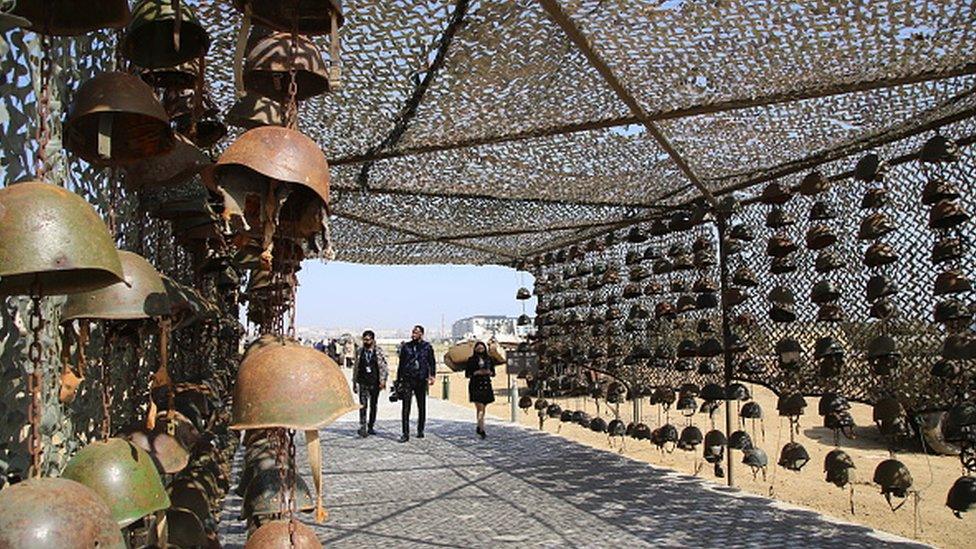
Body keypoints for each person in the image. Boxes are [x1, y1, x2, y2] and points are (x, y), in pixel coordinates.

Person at [397, 325, 436, 442]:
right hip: (408, 379)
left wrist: (432, 376)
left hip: (421, 379)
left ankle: (420, 430)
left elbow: (432, 362)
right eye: (413, 332)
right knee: (406, 407)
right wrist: (399, 380)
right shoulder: (406, 347)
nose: (414, 334)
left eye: (417, 332)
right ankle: (405, 433)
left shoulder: (427, 347)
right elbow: (401, 364)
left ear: (421, 334)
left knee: (421, 406)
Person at [352, 330, 388, 438]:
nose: (366, 342)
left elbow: (383, 367)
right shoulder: (360, 351)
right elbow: (356, 367)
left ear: (372, 340)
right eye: (364, 339)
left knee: (373, 405)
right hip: (363, 382)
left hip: (375, 383)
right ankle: (363, 426)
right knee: (363, 405)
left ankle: (371, 425)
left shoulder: (378, 351)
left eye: (368, 340)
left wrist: (383, 381)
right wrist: (354, 382)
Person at [464, 341, 496, 439]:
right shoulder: (471, 360)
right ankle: (482, 430)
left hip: (486, 385)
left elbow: (494, 373)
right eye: (478, 348)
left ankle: (479, 425)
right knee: (480, 408)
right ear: (475, 349)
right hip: (476, 385)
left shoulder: (489, 359)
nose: (480, 350)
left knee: (483, 408)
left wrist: (489, 372)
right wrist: (476, 372)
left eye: (482, 348)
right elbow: (467, 374)